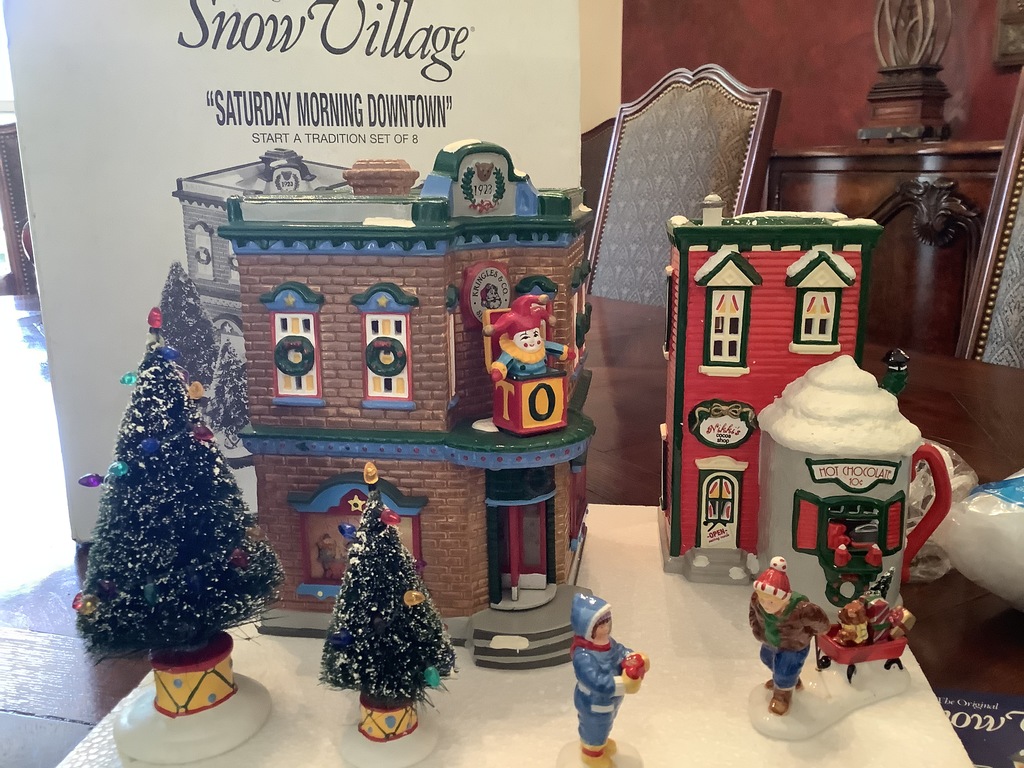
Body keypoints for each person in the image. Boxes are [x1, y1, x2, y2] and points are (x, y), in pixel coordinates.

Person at [570, 593, 649, 767]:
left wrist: (632, 657)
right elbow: (596, 681)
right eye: (600, 624)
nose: (605, 627)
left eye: (607, 622)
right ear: (588, 627)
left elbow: (619, 650)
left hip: (610, 701)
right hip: (593, 702)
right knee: (594, 727)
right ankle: (591, 754)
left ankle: (601, 743)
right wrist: (623, 684)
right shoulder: (583, 656)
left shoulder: (607, 642)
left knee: (606, 724)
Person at [749, 556, 830, 715]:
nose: (765, 605)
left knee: (785, 669)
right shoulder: (757, 600)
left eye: (771, 602)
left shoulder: (802, 610)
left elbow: (821, 621)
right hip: (770, 640)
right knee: (767, 658)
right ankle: (789, 681)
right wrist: (757, 629)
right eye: (763, 600)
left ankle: (782, 695)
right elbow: (753, 613)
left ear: (784, 599)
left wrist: (818, 631)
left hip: (793, 646)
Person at [483, 294, 573, 382]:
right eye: (525, 337)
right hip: (521, 378)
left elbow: (553, 347)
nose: (532, 340)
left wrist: (565, 352)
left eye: (535, 335)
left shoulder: (541, 346)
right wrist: (498, 371)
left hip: (543, 375)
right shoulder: (513, 352)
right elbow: (503, 362)